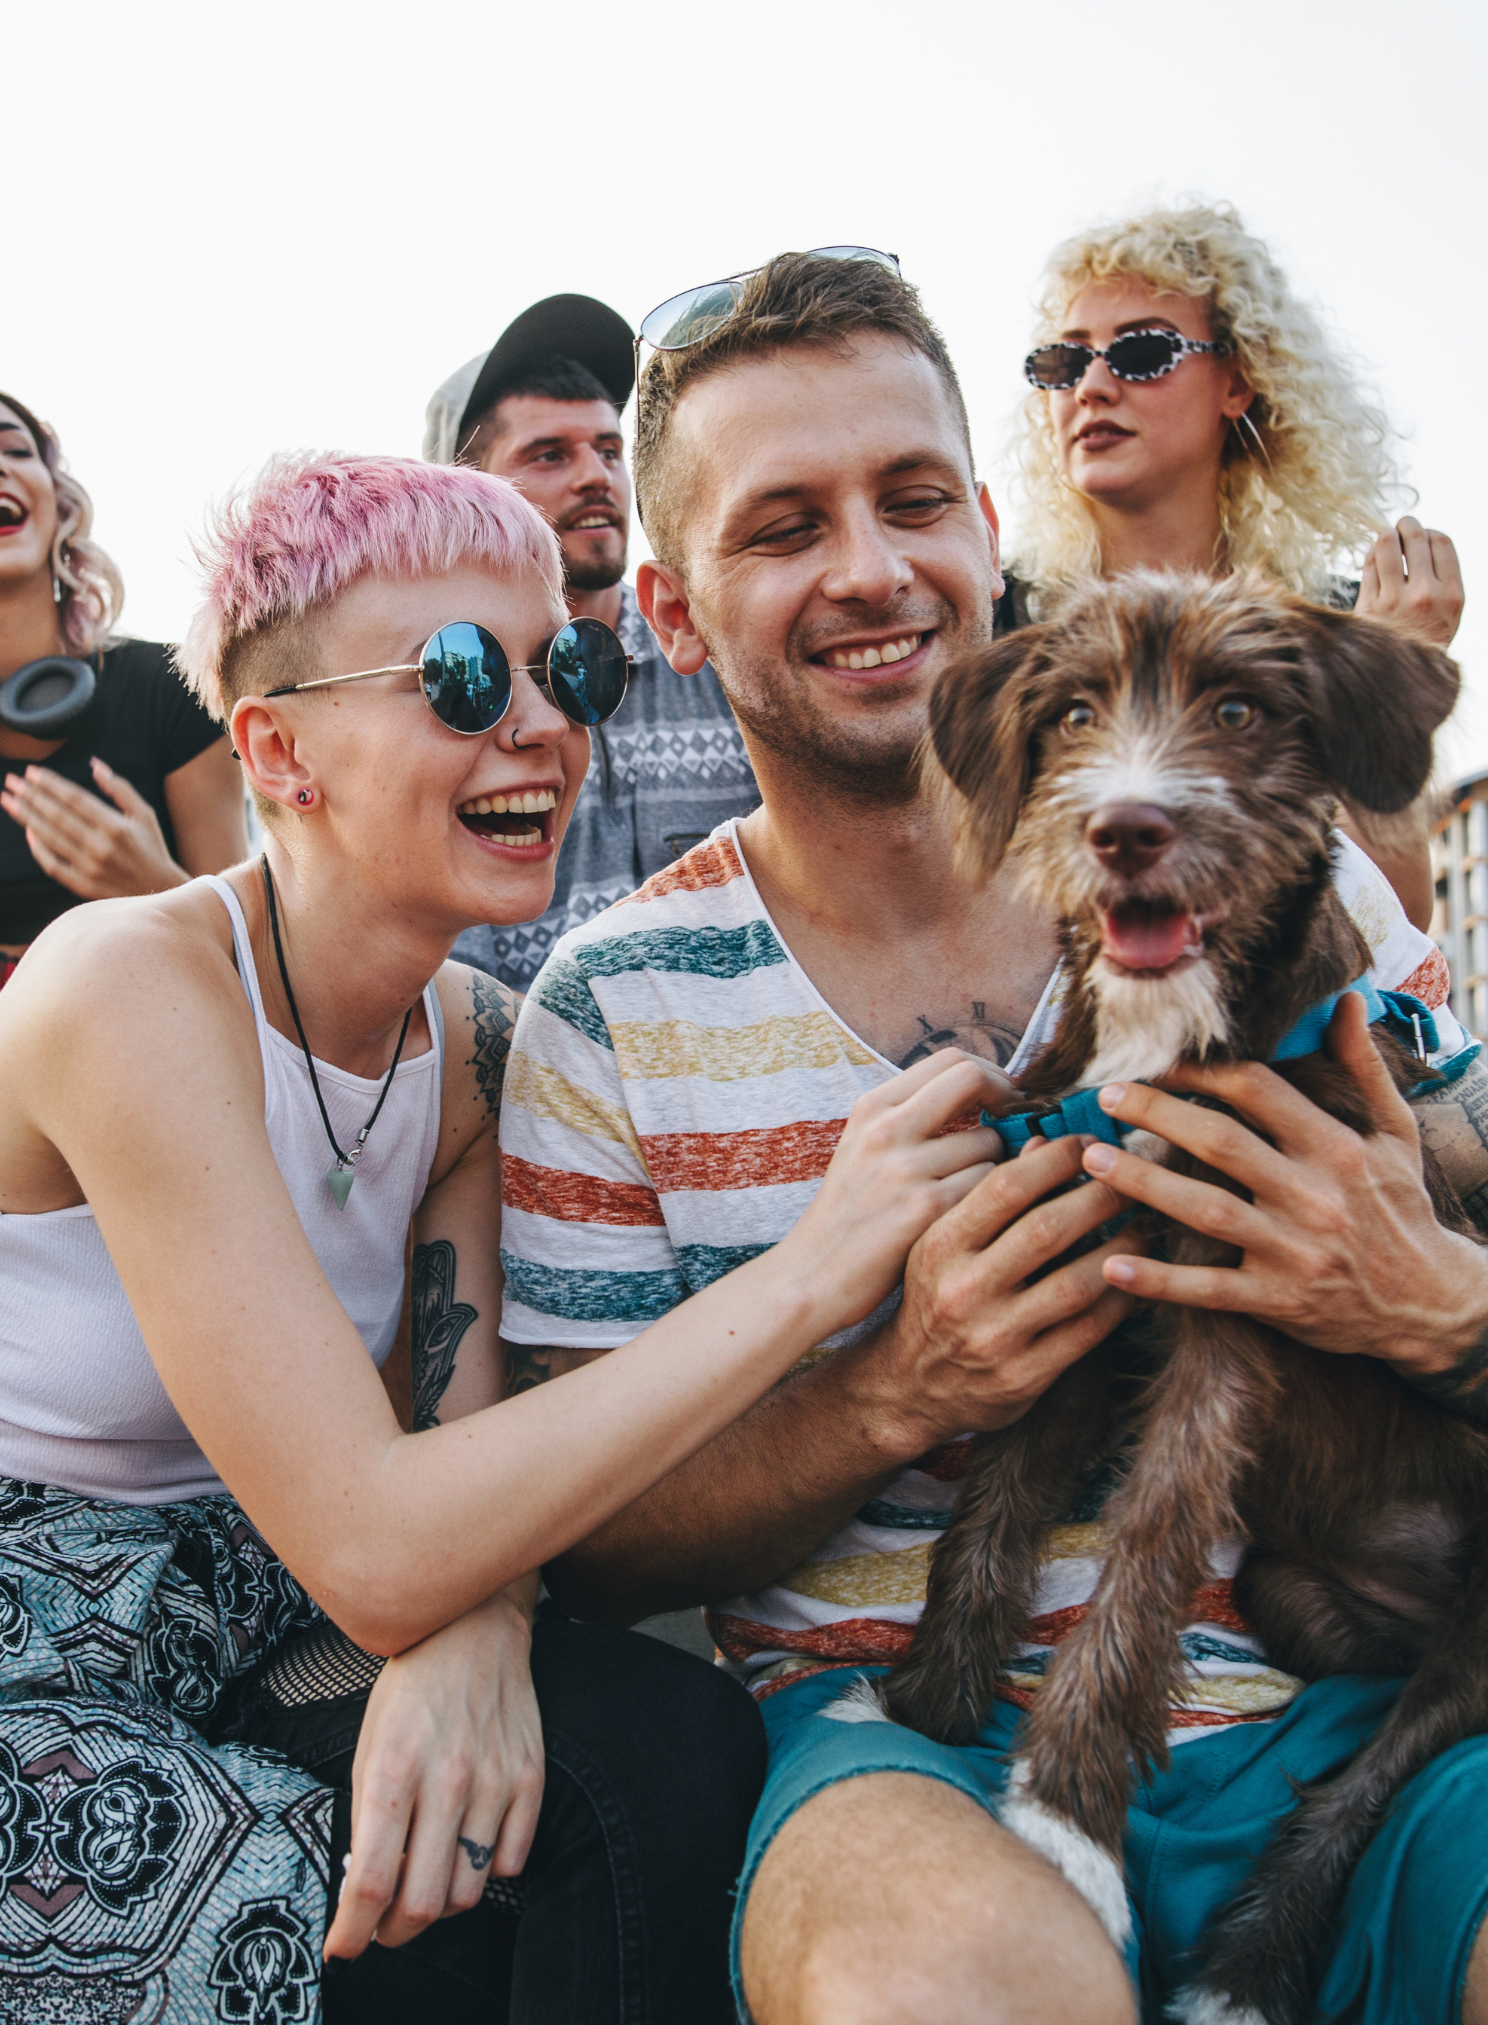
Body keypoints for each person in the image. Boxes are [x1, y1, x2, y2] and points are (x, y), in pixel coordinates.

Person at [496, 249, 1488, 2024]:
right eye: (783, 525)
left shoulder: (1289, 866)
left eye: (914, 498)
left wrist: (1439, 1307)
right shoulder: (613, 1007)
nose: (872, 570)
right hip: (900, 1738)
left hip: (1366, 1710)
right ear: (669, 609)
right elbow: (591, 1544)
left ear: (986, 530)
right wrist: (890, 1393)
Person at [0, 448, 981, 2022]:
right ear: (278, 750)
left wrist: (481, 1620)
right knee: (397, 1912)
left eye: (565, 664)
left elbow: (446, 1456)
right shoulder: (128, 989)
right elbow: (386, 1541)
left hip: (249, 1593)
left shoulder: (465, 1043)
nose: (540, 722)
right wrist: (817, 1274)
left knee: (650, 1753)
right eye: (460, 676)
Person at [1007, 202, 1464, 927]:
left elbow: (1394, 924)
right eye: (1063, 361)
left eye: (1140, 353)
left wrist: (1393, 673)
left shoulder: (1338, 622)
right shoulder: (996, 617)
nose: (1091, 386)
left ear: (1238, 382)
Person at [0, 384, 246, 1238]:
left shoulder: (166, 685)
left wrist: (146, 881)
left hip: (126, 1011)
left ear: (52, 498)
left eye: (12, 445)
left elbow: (251, 943)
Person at [425, 293, 761, 989]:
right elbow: (443, 990)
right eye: (549, 454)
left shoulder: (728, 653)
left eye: (610, 450)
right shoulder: (434, 702)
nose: (595, 475)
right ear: (464, 496)